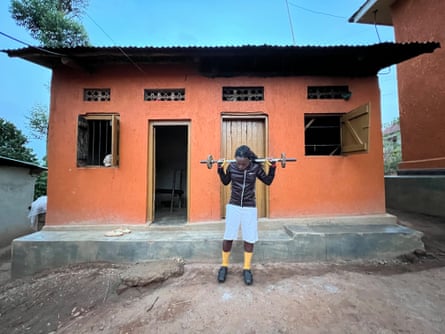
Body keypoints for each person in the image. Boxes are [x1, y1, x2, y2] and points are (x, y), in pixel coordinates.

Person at [216, 145, 276, 285]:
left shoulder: (255, 168)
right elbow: (225, 181)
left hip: (249, 207)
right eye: (238, 163)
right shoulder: (232, 167)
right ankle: (224, 266)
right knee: (228, 236)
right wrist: (219, 168)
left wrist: (273, 167)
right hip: (234, 206)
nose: (241, 166)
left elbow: (268, 181)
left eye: (243, 163)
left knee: (249, 238)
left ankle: (247, 268)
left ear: (249, 160)